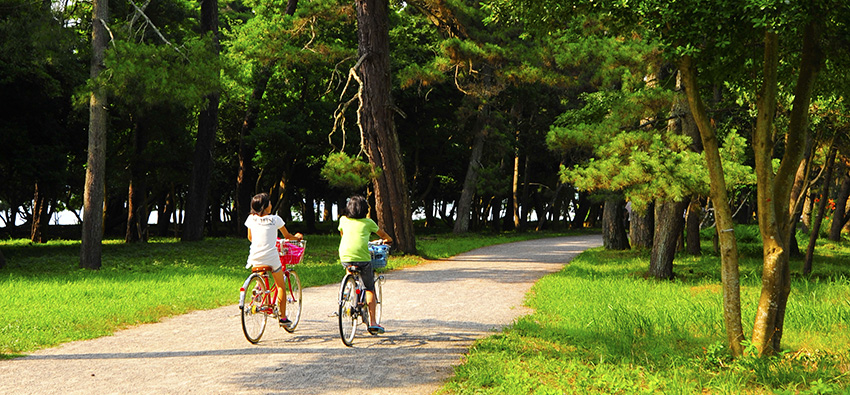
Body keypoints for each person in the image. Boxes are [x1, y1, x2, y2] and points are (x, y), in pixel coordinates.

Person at [245, 193, 303, 327]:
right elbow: (287, 236)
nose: (271, 205)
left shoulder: (251, 219)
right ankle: (283, 318)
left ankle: (258, 287)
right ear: (265, 207)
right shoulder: (275, 219)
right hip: (271, 257)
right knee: (280, 285)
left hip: (255, 256)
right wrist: (297, 237)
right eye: (269, 203)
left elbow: (250, 237)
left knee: (261, 269)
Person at [338, 195, 393, 334]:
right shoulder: (369, 223)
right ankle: (373, 322)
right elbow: (386, 237)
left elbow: (343, 235)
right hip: (362, 258)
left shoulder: (343, 220)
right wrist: (386, 240)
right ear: (365, 210)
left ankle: (347, 292)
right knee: (369, 288)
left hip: (345, 256)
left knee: (350, 269)